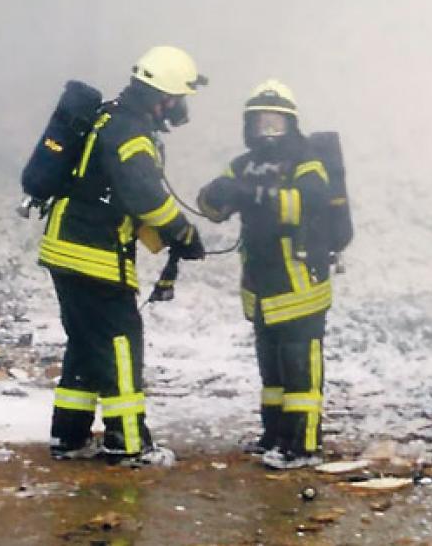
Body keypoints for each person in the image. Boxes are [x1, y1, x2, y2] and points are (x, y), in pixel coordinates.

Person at [38, 45, 206, 467]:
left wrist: (165, 240)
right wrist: (183, 233)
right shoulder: (131, 134)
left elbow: (118, 194)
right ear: (164, 96)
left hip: (66, 248)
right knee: (120, 344)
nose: (180, 107)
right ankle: (128, 443)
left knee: (85, 343)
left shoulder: (109, 118)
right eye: (179, 97)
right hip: (93, 255)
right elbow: (146, 196)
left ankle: (70, 436)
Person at [197, 80, 332, 469]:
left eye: (276, 122)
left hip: (299, 281)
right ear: (249, 125)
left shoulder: (306, 160)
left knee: (299, 368)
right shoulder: (242, 164)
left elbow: (310, 203)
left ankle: (304, 444)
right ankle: (274, 435)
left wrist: (253, 196)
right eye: (261, 122)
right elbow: (213, 209)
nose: (268, 130)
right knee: (271, 369)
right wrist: (216, 193)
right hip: (261, 284)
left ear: (291, 123)